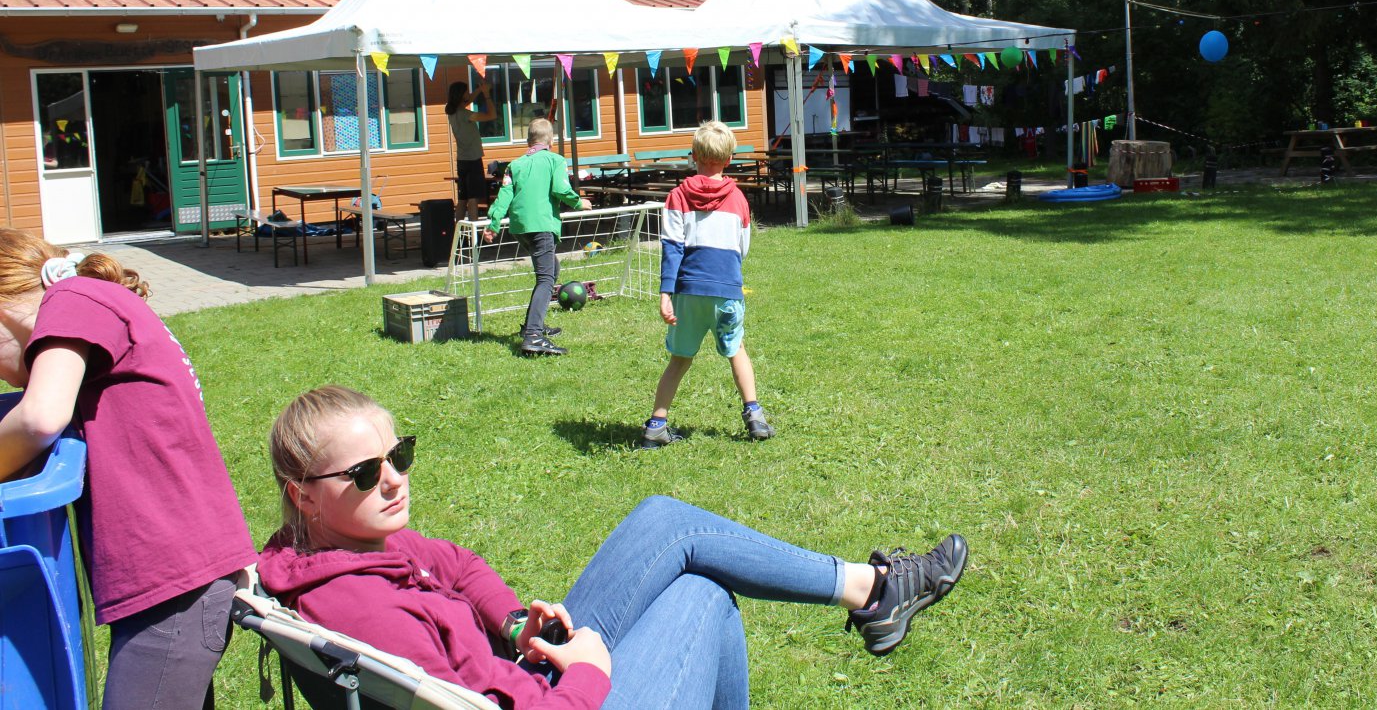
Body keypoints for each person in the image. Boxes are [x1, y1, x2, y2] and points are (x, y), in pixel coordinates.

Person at [260, 386, 968, 710]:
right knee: (703, 598)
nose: (393, 480)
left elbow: (459, 565)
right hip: (550, 699)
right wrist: (588, 675)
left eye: (400, 455)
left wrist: (511, 622)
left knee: (668, 520)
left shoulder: (350, 546)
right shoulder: (363, 610)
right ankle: (875, 594)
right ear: (301, 493)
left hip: (522, 670)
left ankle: (869, 592)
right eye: (363, 473)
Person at [0, 229, 255, 710]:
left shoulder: (72, 297)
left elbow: (38, 417)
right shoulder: (90, 304)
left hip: (174, 584)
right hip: (174, 579)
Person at [643, 120, 769, 447]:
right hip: (726, 288)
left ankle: (657, 424)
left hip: (687, 291)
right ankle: (754, 416)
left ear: (694, 155)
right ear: (729, 159)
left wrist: (665, 293)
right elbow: (743, 248)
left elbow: (672, 247)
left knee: (680, 359)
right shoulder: (739, 199)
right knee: (736, 350)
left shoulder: (677, 196)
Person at [484, 118, 587, 356]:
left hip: (521, 227)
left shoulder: (514, 165)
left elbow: (504, 195)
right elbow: (561, 190)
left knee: (552, 267)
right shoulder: (555, 160)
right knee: (545, 279)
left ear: (529, 140)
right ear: (551, 140)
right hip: (541, 225)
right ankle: (532, 336)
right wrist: (579, 202)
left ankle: (535, 325)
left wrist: (494, 222)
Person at [447, 79, 499, 222]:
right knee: (473, 199)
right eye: (466, 92)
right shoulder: (466, 115)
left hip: (462, 160)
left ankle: (458, 233)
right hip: (473, 160)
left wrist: (480, 89)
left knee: (462, 199)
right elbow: (492, 115)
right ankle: (474, 235)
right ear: (461, 95)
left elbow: (467, 99)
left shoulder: (452, 112)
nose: (468, 94)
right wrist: (486, 95)